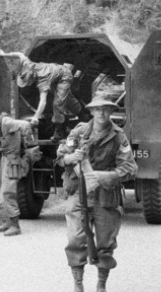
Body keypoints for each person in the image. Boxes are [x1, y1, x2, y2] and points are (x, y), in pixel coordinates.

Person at [56, 92, 137, 292]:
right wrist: (71, 158)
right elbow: (60, 157)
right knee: (75, 239)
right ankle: (78, 285)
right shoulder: (79, 132)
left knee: (105, 243)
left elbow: (130, 169)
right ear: (91, 111)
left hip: (106, 196)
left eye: (105, 109)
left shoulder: (119, 136)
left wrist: (102, 177)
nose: (101, 113)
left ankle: (101, 285)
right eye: (97, 109)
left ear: (111, 111)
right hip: (79, 193)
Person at [0, 50, 86, 141]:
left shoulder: (42, 80)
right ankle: (84, 116)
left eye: (27, 82)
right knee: (69, 100)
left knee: (58, 103)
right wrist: (5, 54)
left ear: (32, 78)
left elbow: (43, 102)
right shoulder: (28, 64)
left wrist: (36, 116)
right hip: (55, 76)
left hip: (64, 76)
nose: (28, 84)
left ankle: (59, 132)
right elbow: (20, 55)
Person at [0, 107, 34, 236]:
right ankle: (8, 222)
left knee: (8, 192)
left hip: (13, 161)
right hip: (5, 159)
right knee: (1, 191)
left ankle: (15, 226)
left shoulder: (6, 122)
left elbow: (26, 125)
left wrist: (28, 143)